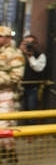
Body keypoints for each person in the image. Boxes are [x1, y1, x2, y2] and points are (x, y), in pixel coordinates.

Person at [0, 26, 24, 164]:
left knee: (4, 127)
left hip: (6, 95)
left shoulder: (15, 53)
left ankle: (10, 157)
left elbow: (16, 77)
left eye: (0, 36)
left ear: (8, 38)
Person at [19, 34, 48, 120]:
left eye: (31, 43)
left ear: (36, 44)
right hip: (19, 86)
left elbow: (38, 68)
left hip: (33, 87)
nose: (29, 45)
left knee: (31, 110)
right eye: (26, 43)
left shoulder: (40, 56)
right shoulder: (17, 55)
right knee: (18, 109)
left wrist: (30, 56)